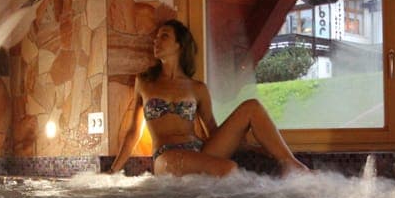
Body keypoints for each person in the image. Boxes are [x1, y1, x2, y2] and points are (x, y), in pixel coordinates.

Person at [108, 20, 309, 177]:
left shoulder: (197, 88)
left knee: (252, 107)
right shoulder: (145, 82)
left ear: (179, 45)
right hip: (166, 157)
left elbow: (212, 130)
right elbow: (133, 132)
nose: (156, 41)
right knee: (228, 168)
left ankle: (293, 166)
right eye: (156, 37)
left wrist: (253, 147)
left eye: (164, 36)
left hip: (200, 151)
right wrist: (113, 171)